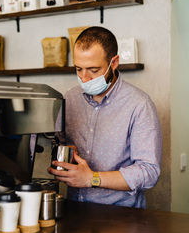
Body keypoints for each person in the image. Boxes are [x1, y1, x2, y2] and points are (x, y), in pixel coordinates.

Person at [48, 26, 162, 208]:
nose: (84, 78)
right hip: (74, 209)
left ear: (114, 62)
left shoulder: (139, 105)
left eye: (93, 70)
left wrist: (91, 179)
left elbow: (149, 172)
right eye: (78, 69)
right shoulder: (71, 98)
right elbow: (58, 142)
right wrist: (63, 152)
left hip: (120, 215)